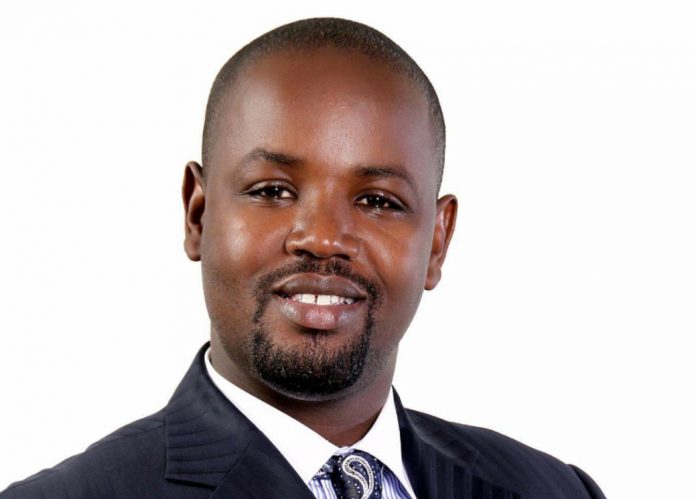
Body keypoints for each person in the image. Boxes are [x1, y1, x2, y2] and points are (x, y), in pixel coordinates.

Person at [1, 17, 605, 499]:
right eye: (272, 191)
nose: (322, 238)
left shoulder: (555, 490)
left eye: (378, 201)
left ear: (437, 242)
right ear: (198, 214)